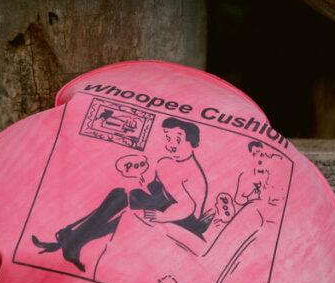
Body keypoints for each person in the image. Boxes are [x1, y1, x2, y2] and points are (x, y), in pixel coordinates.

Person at [31, 117, 211, 272]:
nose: (171, 144)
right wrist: (140, 177)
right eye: (168, 138)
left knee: (127, 209)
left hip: (181, 219)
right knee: (119, 194)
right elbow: (155, 189)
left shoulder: (193, 173)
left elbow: (189, 206)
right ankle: (72, 241)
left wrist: (162, 216)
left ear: (191, 141)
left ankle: (71, 240)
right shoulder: (165, 162)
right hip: (161, 205)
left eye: (177, 139)